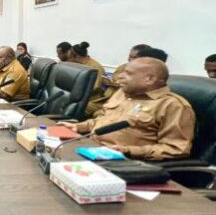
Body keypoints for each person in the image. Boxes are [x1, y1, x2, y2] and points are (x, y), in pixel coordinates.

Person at [59, 58, 195, 160]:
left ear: (150, 79)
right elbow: (104, 121)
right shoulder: (123, 93)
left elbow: (176, 149)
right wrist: (78, 127)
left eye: (128, 73)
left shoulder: (172, 106)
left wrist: (127, 150)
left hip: (125, 162)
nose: (120, 77)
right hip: (92, 150)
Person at [69, 41, 105, 117]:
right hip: (77, 96)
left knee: (74, 108)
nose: (69, 58)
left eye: (70, 55)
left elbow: (94, 88)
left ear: (77, 56)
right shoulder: (76, 64)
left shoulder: (95, 67)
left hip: (91, 100)